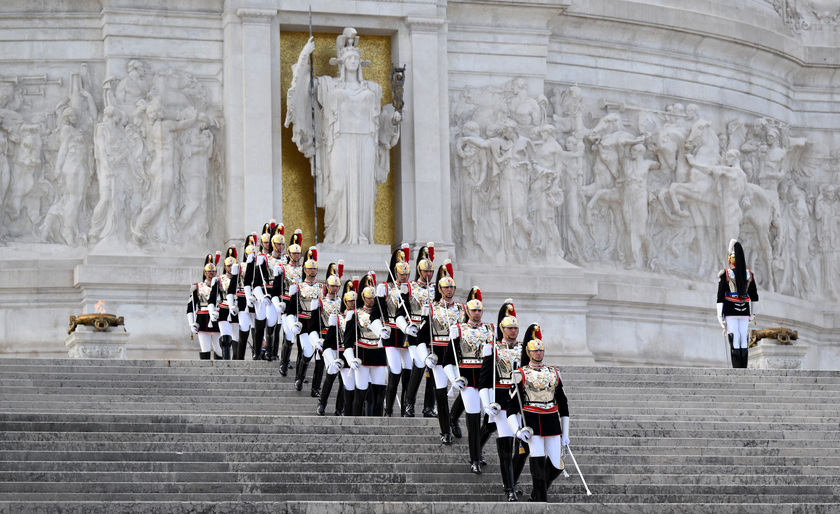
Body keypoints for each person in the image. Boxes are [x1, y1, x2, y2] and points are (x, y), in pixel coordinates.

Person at [285, 28, 402, 244]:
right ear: (341, 61)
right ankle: (334, 236)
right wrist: (303, 59)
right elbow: (302, 91)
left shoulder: (373, 89)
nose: (352, 61)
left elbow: (381, 119)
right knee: (337, 187)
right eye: (348, 57)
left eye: (356, 58)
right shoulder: (328, 85)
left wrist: (392, 119)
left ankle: (362, 235)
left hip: (365, 141)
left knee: (364, 191)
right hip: (338, 141)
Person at [506, 325, 571, 502]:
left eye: (541, 350)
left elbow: (563, 405)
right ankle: (540, 501)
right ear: (528, 352)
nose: (538, 354)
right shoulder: (520, 374)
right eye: (535, 351)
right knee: (537, 461)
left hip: (552, 422)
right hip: (532, 422)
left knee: (557, 465)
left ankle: (537, 493)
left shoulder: (553, 372)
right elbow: (511, 408)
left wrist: (565, 433)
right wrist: (517, 431)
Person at [446, 287, 496, 474]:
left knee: (490, 423)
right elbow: (447, 360)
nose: (477, 313)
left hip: (487, 379)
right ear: (467, 311)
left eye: (479, 310)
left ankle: (478, 447)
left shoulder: (490, 329)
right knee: (473, 420)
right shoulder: (458, 329)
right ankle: (475, 458)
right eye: (473, 310)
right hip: (468, 380)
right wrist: (454, 379)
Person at [418, 260, 466, 444]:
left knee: (466, 391)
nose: (449, 290)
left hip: (457, 356)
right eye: (445, 288)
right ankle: (445, 430)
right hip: (438, 354)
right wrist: (426, 356)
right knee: (440, 390)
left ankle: (454, 417)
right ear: (439, 289)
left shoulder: (462, 309)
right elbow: (421, 338)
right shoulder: (431, 309)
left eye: (451, 287)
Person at [479, 300, 523, 501]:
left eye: (515, 328)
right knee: (506, 444)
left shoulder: (525, 350)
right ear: (502, 329)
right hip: (502, 404)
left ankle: (512, 480)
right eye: (509, 328)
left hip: (521, 404)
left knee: (523, 447)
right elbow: (484, 381)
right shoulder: (493, 349)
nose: (513, 331)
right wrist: (488, 404)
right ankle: (509, 489)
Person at [380, 244, 419, 417]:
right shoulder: (386, 288)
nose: (404, 276)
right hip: (391, 333)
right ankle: (388, 409)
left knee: (409, 372)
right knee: (395, 369)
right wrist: (381, 329)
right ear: (395, 272)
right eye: (401, 273)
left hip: (406, 334)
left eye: (406, 273)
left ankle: (406, 409)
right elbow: (378, 313)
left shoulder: (412, 290)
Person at [342, 274, 388, 416]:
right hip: (362, 355)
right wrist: (351, 359)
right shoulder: (355, 314)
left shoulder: (382, 314)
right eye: (369, 298)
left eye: (374, 298)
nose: (372, 300)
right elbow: (347, 341)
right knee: (360, 392)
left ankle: (378, 421)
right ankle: (357, 421)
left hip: (379, 355)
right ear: (363, 297)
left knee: (379, 393)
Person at [401, 243, 438, 418]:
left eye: (431, 271)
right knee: (419, 363)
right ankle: (409, 403)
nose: (428, 274)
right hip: (415, 332)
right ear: (419, 270)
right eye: (425, 271)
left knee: (431, 366)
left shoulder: (437, 289)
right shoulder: (409, 287)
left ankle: (429, 406)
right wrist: (407, 326)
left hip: (431, 332)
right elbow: (400, 313)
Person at [285, 247, 325, 392]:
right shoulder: (298, 287)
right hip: (305, 322)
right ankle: (299, 378)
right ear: (305, 270)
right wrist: (292, 324)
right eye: (310, 268)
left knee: (320, 357)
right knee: (307, 352)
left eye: (315, 268)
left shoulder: (323, 288)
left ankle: (316, 387)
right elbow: (291, 310)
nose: (313, 270)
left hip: (320, 324)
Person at [717, 239, 759, 368]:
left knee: (735, 337)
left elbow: (720, 297)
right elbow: (755, 296)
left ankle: (737, 369)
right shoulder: (749, 274)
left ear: (731, 259)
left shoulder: (726, 273)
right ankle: (743, 368)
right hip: (745, 311)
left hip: (731, 310)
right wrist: (753, 313)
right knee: (743, 338)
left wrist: (720, 316)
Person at [317, 263, 347, 416]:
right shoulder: (322, 301)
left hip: (343, 345)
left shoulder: (344, 305)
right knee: (331, 373)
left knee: (343, 379)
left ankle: (339, 408)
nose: (335, 289)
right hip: (331, 344)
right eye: (332, 286)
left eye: (337, 286)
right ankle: (322, 403)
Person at [186, 254, 224, 360]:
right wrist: (191, 324)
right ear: (205, 272)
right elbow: (190, 308)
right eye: (209, 271)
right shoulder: (198, 287)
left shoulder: (221, 286)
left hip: (217, 317)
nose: (211, 273)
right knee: (205, 348)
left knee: (219, 349)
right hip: (202, 318)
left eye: (213, 271)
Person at [279, 230, 305, 376]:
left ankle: (299, 372)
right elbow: (278, 288)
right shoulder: (283, 268)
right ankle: (284, 363)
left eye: (298, 253)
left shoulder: (304, 270)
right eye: (294, 253)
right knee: (289, 336)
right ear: (289, 253)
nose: (296, 255)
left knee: (301, 341)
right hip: (287, 306)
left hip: (301, 308)